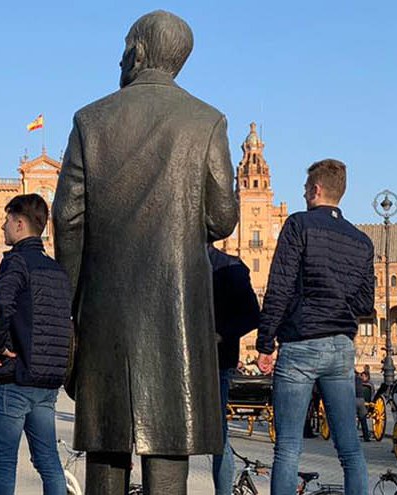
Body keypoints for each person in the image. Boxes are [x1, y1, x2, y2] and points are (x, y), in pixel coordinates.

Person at [52, 11, 240, 494]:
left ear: (136, 53)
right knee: (168, 447)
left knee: (107, 450)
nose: (120, 57)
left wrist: (71, 303)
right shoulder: (208, 121)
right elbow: (221, 220)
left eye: (123, 48)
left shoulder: (90, 121)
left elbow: (68, 220)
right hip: (175, 311)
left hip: (106, 311)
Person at [256, 159, 373, 495]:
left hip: (301, 344)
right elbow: (366, 303)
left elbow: (279, 287)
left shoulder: (298, 226)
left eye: (306, 188)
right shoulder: (362, 241)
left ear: (316, 189)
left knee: (288, 448)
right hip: (340, 348)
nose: (304, 193)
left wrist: (265, 344)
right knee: (350, 449)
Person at [0, 193, 75, 495]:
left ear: (20, 224)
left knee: (2, 465)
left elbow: (2, 304)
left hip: (14, 378)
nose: (2, 228)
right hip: (46, 382)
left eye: (6, 221)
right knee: (49, 462)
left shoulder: (16, 262)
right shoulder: (57, 270)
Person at [207, 245, 260, 495]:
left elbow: (252, 315)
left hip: (218, 361)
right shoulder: (231, 265)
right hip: (204, 362)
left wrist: (220, 335)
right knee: (219, 437)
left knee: (219, 437)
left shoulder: (231, 266)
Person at [355, 372, 373, 442]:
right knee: (363, 419)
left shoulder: (350, 380)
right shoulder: (361, 381)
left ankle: (352, 436)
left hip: (354, 400)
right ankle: (366, 436)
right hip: (362, 400)